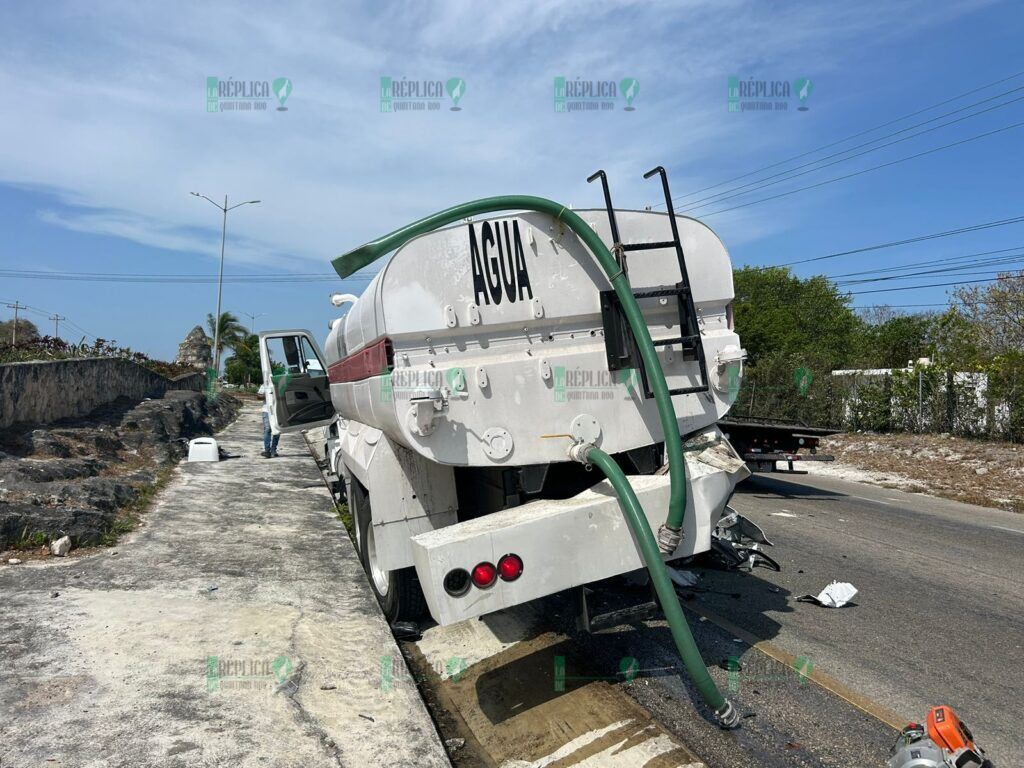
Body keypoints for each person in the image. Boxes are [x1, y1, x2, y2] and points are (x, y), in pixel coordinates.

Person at [257, 381, 280, 458]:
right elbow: (258, 397)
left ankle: (273, 450)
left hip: (278, 410)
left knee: (277, 430)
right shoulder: (265, 385)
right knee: (267, 429)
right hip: (266, 410)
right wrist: (268, 395)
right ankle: (267, 451)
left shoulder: (280, 383)